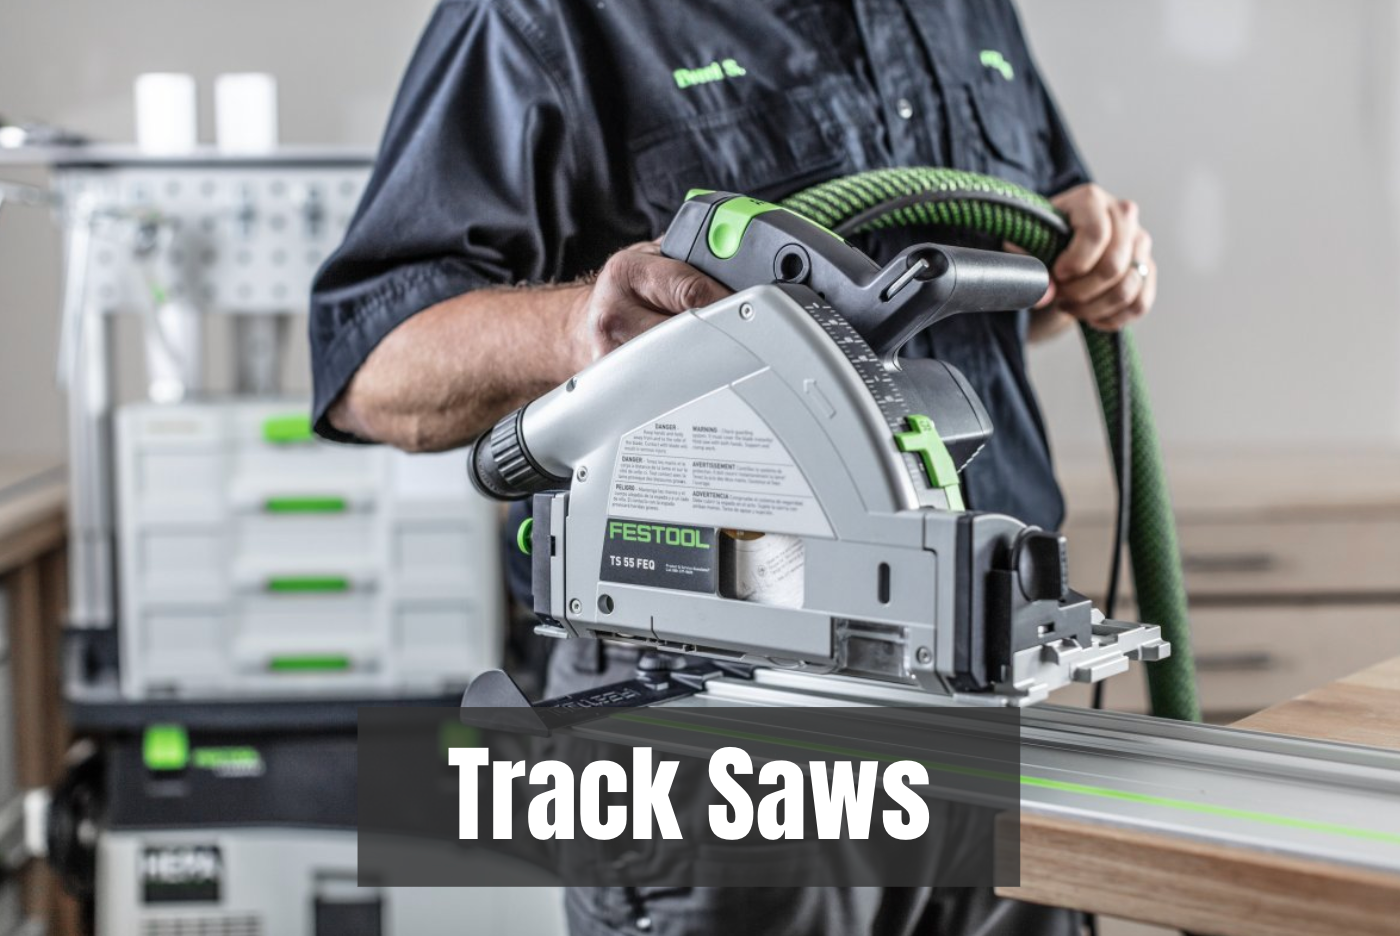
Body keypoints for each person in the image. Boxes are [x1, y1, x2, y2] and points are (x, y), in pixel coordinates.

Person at [309, 1, 1156, 933]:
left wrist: (1081, 259)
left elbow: (987, 296)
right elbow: (373, 370)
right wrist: (578, 328)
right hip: (714, 698)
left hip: (988, 658)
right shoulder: (540, 18)